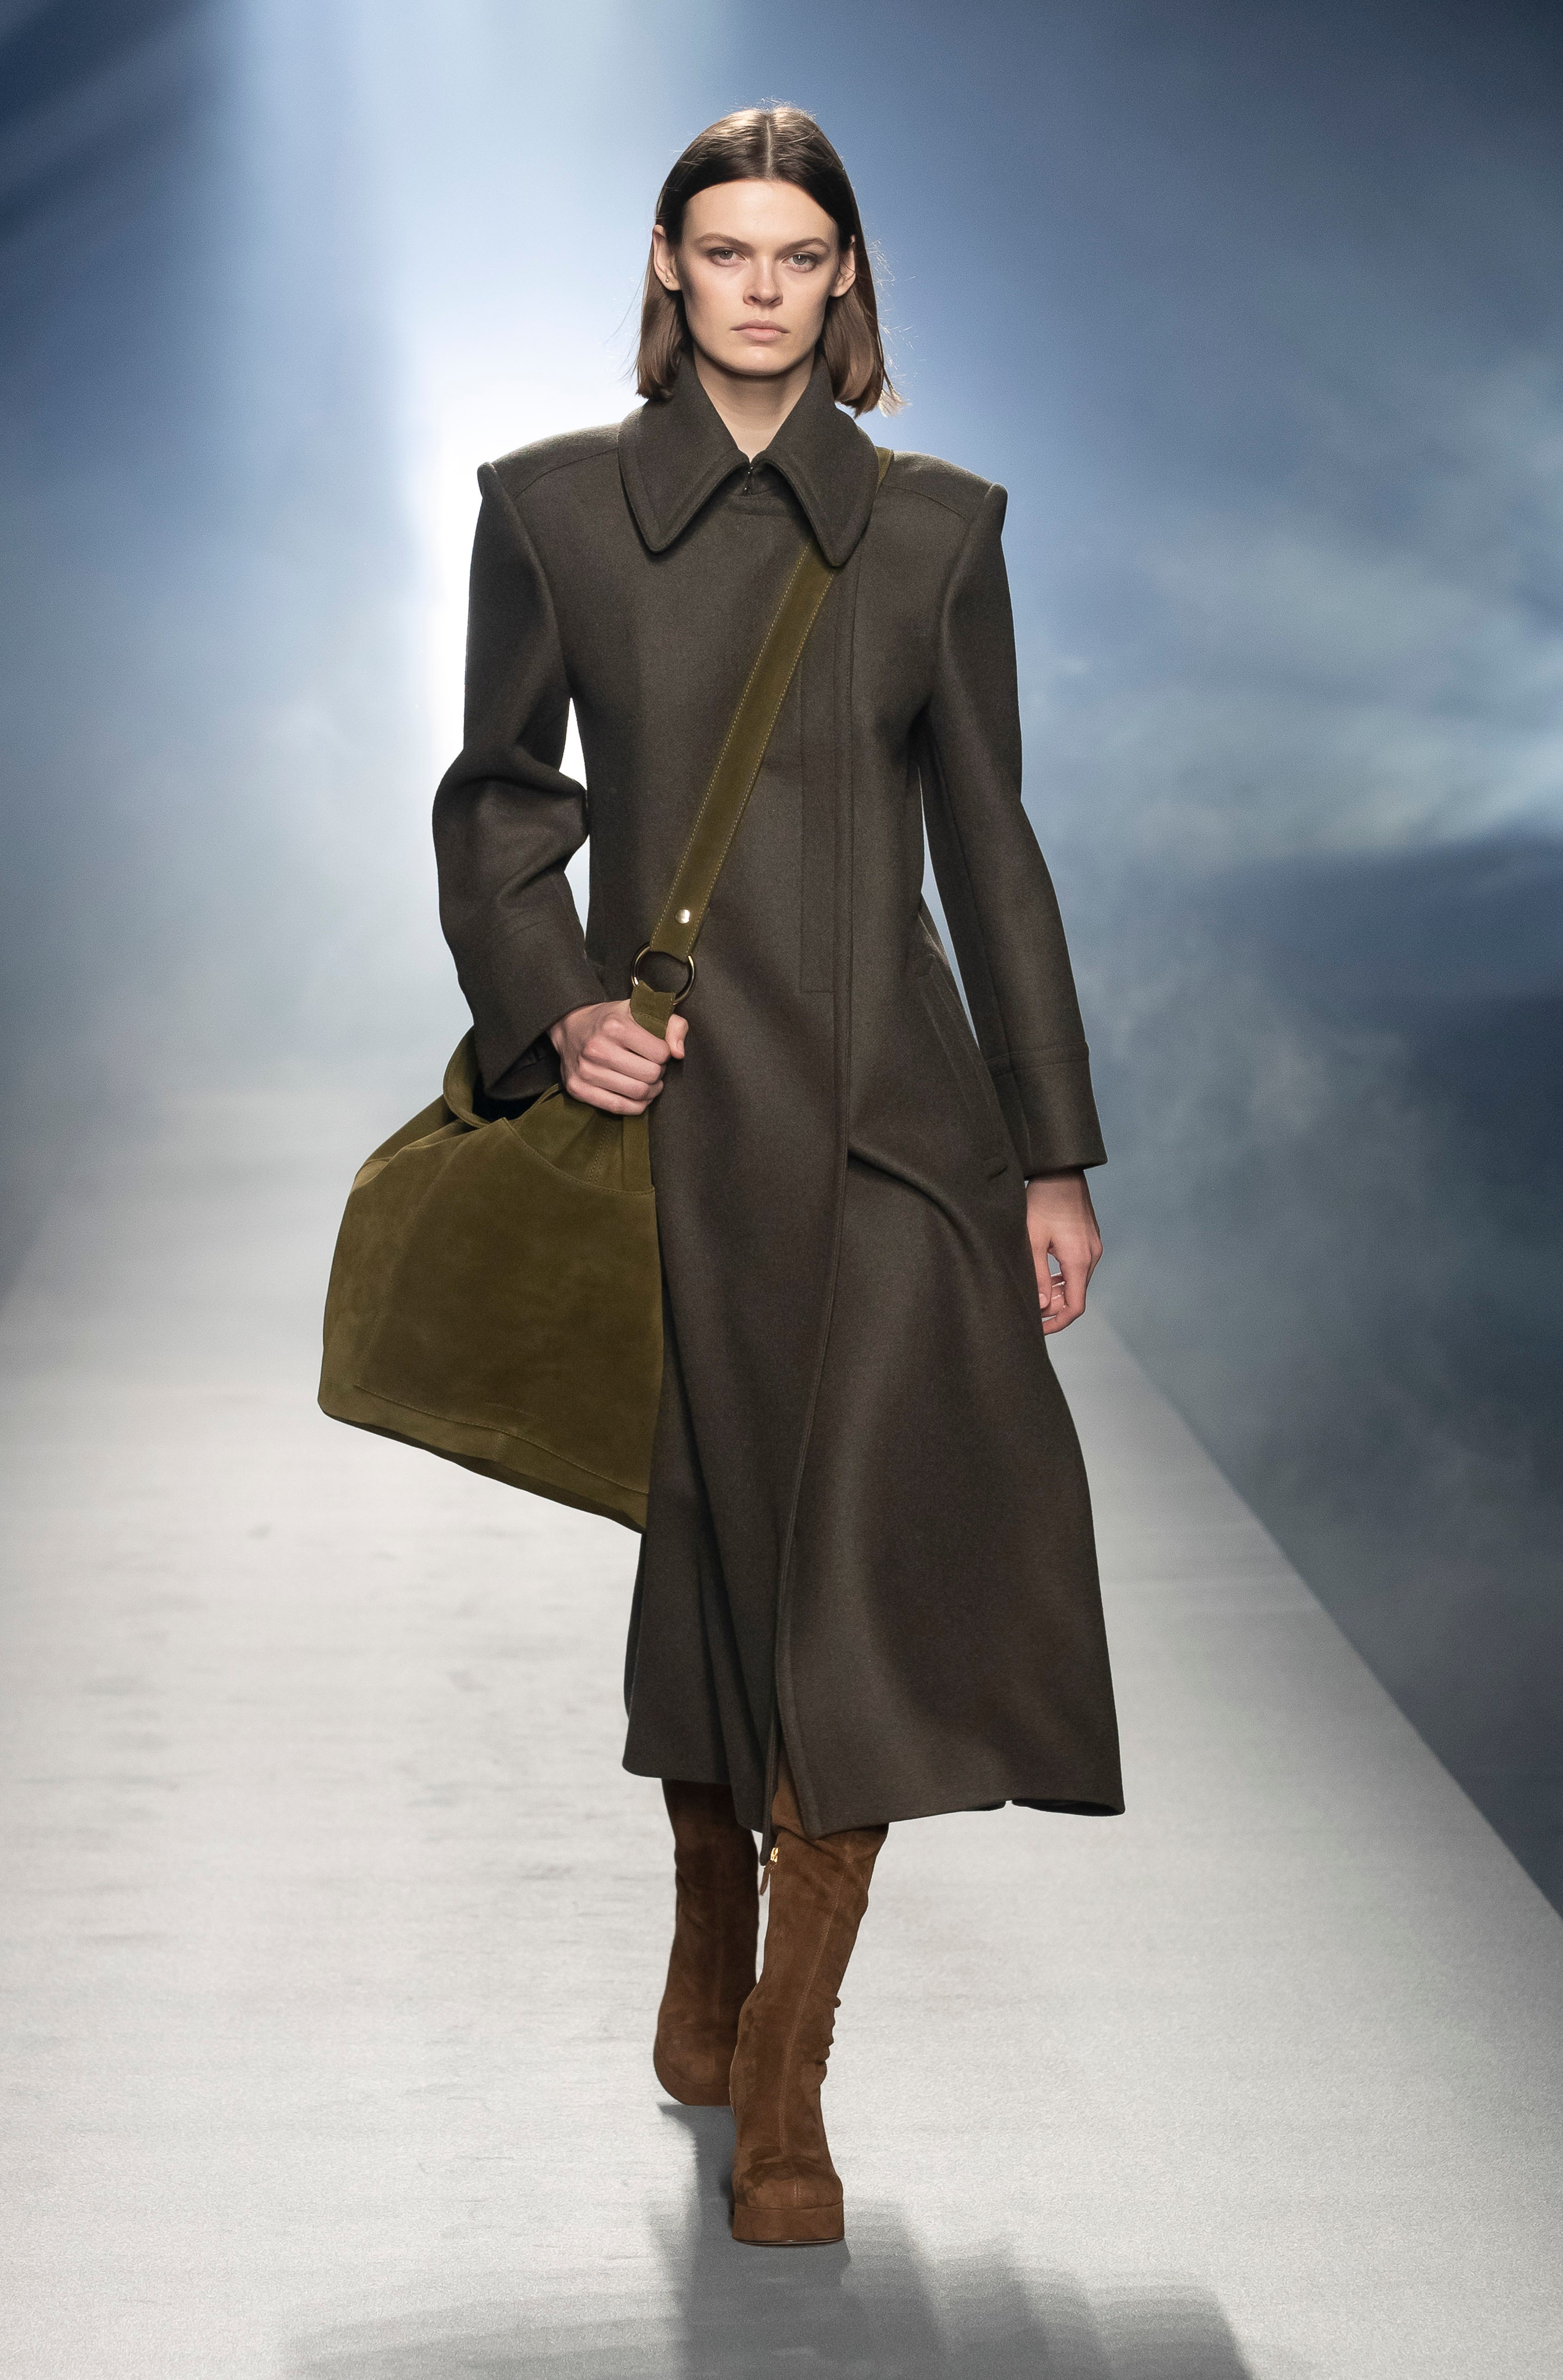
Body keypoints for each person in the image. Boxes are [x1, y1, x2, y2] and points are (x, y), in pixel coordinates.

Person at [433, 105, 1122, 2248]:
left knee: (858, 1571)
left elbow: (990, 848)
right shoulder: (550, 510)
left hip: (898, 1125)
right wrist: (558, 1009)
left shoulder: (935, 531)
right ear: (667, 265)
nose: (758, 287)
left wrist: (1047, 1150)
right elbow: (496, 797)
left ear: (845, 279)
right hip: (681, 1124)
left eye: (795, 255)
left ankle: (787, 2081)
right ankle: (701, 1941)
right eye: (722, 250)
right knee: (722, 1551)